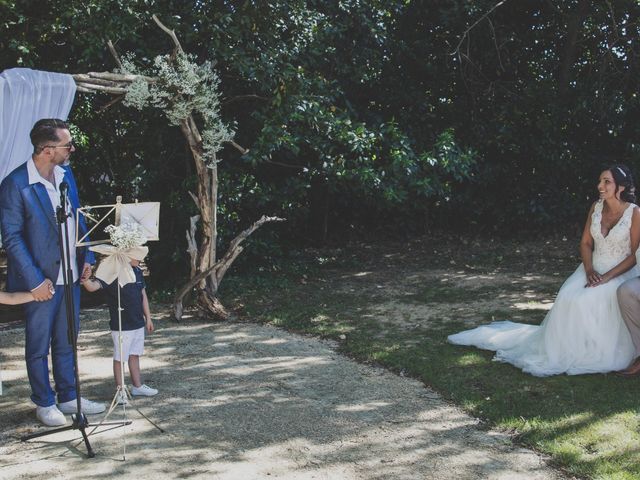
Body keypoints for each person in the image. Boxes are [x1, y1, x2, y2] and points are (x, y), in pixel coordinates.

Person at [448, 164, 640, 376]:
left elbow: (634, 256)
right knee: (569, 296)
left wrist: (605, 278)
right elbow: (585, 243)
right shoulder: (596, 207)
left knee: (590, 300)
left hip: (619, 271)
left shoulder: (634, 213)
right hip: (592, 268)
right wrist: (588, 270)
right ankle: (570, 349)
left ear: (620, 187)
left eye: (606, 182)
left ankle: (599, 350)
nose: (600, 186)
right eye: (600, 181)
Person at [0, 118, 105, 427]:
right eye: (66, 145)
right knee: (38, 343)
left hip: (72, 274)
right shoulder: (15, 184)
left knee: (67, 339)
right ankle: (44, 402)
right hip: (40, 281)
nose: (71, 149)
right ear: (45, 149)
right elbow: (13, 238)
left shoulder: (66, 174)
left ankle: (69, 396)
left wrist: (87, 254)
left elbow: (77, 217)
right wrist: (34, 282)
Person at [81, 258, 158, 403]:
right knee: (120, 358)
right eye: (137, 254)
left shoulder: (137, 271)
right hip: (122, 324)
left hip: (137, 322)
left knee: (135, 354)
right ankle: (120, 390)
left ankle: (137, 386)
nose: (141, 258)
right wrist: (84, 279)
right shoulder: (112, 272)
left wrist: (148, 317)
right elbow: (92, 286)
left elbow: (143, 295)